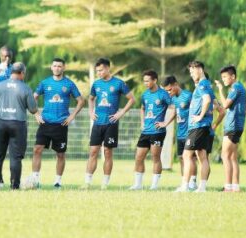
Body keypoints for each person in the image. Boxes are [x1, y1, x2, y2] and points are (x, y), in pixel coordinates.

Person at [31, 58, 84, 189]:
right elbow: (33, 98)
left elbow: (81, 101)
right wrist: (36, 114)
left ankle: (57, 182)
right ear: (51, 67)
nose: (57, 68)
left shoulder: (69, 84)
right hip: (45, 122)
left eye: (59, 66)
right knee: (37, 149)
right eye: (54, 66)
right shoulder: (45, 83)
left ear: (63, 68)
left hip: (61, 124)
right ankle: (35, 180)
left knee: (60, 154)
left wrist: (72, 116)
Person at [82, 58, 135, 190]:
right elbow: (91, 98)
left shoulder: (118, 83)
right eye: (97, 71)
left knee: (107, 152)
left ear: (107, 69)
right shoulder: (96, 84)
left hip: (111, 123)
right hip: (98, 122)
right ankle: (87, 182)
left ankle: (105, 184)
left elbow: (132, 99)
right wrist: (91, 111)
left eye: (100, 70)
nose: (99, 73)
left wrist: (120, 113)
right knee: (93, 151)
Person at [0, 62, 37, 189]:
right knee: (15, 157)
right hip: (18, 124)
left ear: (11, 72)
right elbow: (33, 109)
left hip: (0, 122)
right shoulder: (25, 88)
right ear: (22, 73)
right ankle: (14, 185)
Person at [129, 70, 171, 190]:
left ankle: (154, 185)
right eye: (144, 81)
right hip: (146, 131)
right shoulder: (144, 95)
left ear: (155, 80)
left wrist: (165, 123)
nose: (145, 83)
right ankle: (138, 184)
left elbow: (174, 107)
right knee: (138, 157)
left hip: (158, 131)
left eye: (148, 81)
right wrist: (142, 122)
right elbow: (142, 108)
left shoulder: (163, 94)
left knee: (155, 157)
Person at [175, 61, 214, 192]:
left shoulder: (203, 84)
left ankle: (185, 186)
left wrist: (200, 116)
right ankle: (201, 187)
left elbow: (208, 100)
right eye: (190, 72)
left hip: (198, 125)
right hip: (200, 126)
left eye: (193, 71)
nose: (191, 74)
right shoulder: (205, 84)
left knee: (186, 155)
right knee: (201, 156)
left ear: (200, 70)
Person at [215, 65, 246, 192]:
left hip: (232, 126)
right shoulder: (241, 88)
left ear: (233, 76)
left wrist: (220, 89)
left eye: (225, 77)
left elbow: (224, 105)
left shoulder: (235, 88)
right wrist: (240, 116)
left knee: (225, 156)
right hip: (238, 126)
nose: (223, 80)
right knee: (233, 157)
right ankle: (236, 187)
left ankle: (228, 187)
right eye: (222, 77)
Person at [161, 75, 198, 189]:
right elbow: (176, 112)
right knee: (182, 158)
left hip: (189, 132)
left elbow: (197, 109)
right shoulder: (173, 98)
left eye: (169, 89)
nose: (168, 93)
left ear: (176, 84)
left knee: (190, 158)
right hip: (180, 133)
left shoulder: (188, 95)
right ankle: (184, 182)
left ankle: (192, 182)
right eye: (166, 91)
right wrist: (166, 123)